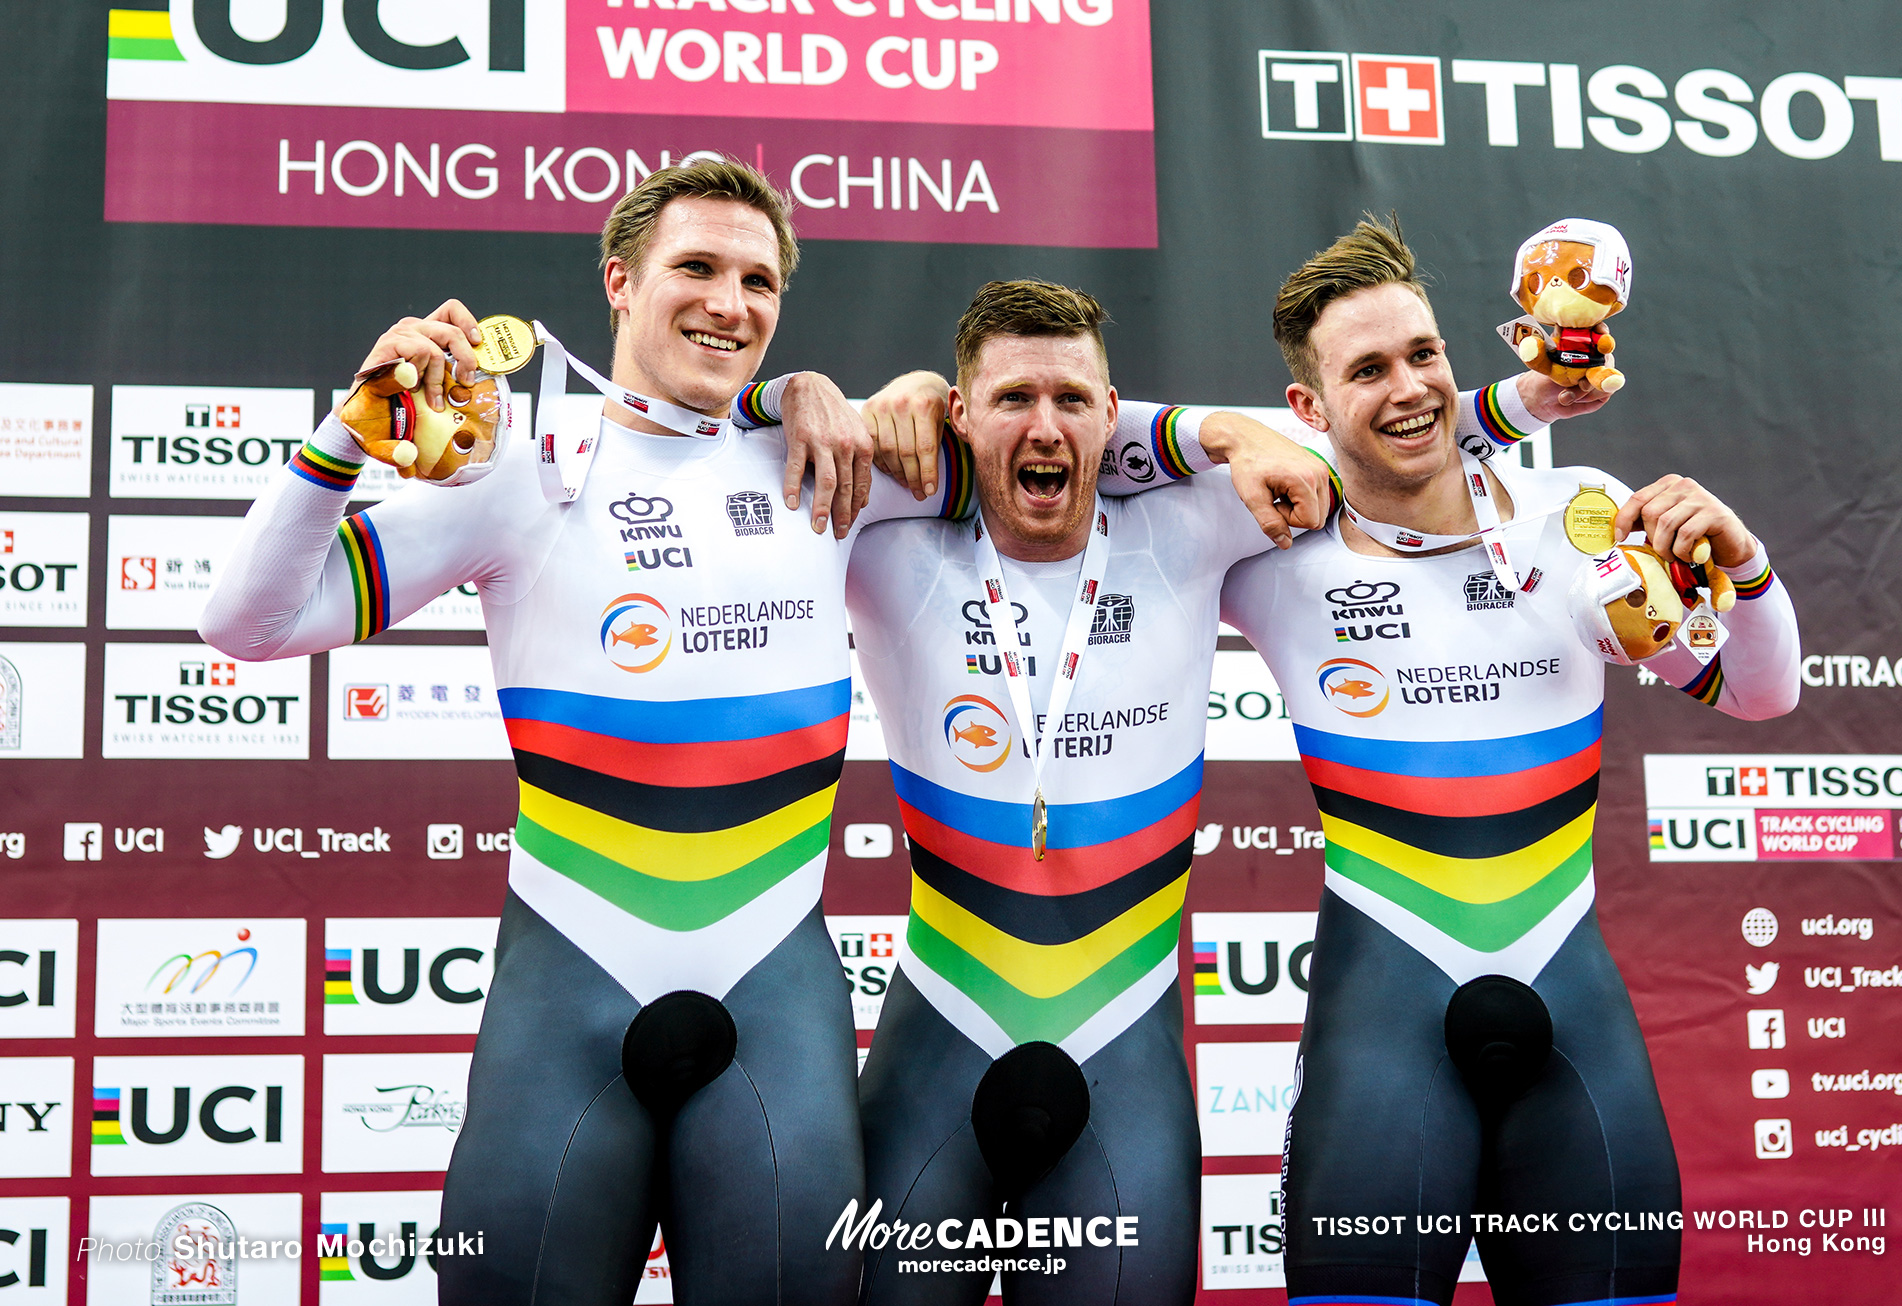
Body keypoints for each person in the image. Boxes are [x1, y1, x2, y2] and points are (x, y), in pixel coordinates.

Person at [200, 161, 1327, 1305]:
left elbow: (1033, 429)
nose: (728, 303)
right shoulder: (518, 469)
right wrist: (343, 439)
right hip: (565, 999)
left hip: (771, 1010)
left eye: (757, 279)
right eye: (696, 268)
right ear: (619, 282)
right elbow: (250, 622)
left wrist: (1215, 429)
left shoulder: (833, 466)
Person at [839, 278, 1602, 1306]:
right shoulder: (884, 533)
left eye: (1074, 399)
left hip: (1127, 1066)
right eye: (1011, 399)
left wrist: (1225, 431)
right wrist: (865, 397)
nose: (1045, 426)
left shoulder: (1191, 527)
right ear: (960, 416)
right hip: (938, 1037)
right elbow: (768, 453)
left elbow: (1380, 446)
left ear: (1114, 418)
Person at [1215, 216, 1800, 1306]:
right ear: (1303, 410)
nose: (1409, 388)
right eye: (1368, 369)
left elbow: (1762, 691)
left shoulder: (1570, 514)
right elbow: (1106, 453)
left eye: (1425, 354)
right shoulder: (1267, 549)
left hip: (1569, 1009)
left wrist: (1746, 560)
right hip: (1381, 1023)